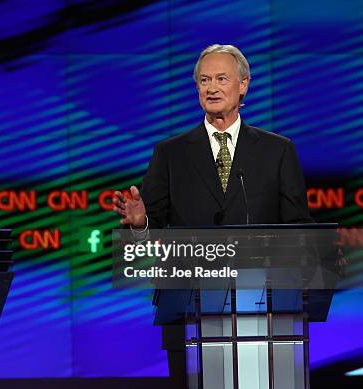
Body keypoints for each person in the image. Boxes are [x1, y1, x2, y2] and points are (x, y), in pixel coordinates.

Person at [113, 44, 312, 388]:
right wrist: (142, 223)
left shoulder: (277, 151)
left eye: (222, 78)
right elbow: (150, 233)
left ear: (244, 84)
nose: (212, 87)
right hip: (190, 307)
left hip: (264, 311)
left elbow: (299, 231)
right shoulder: (171, 153)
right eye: (204, 80)